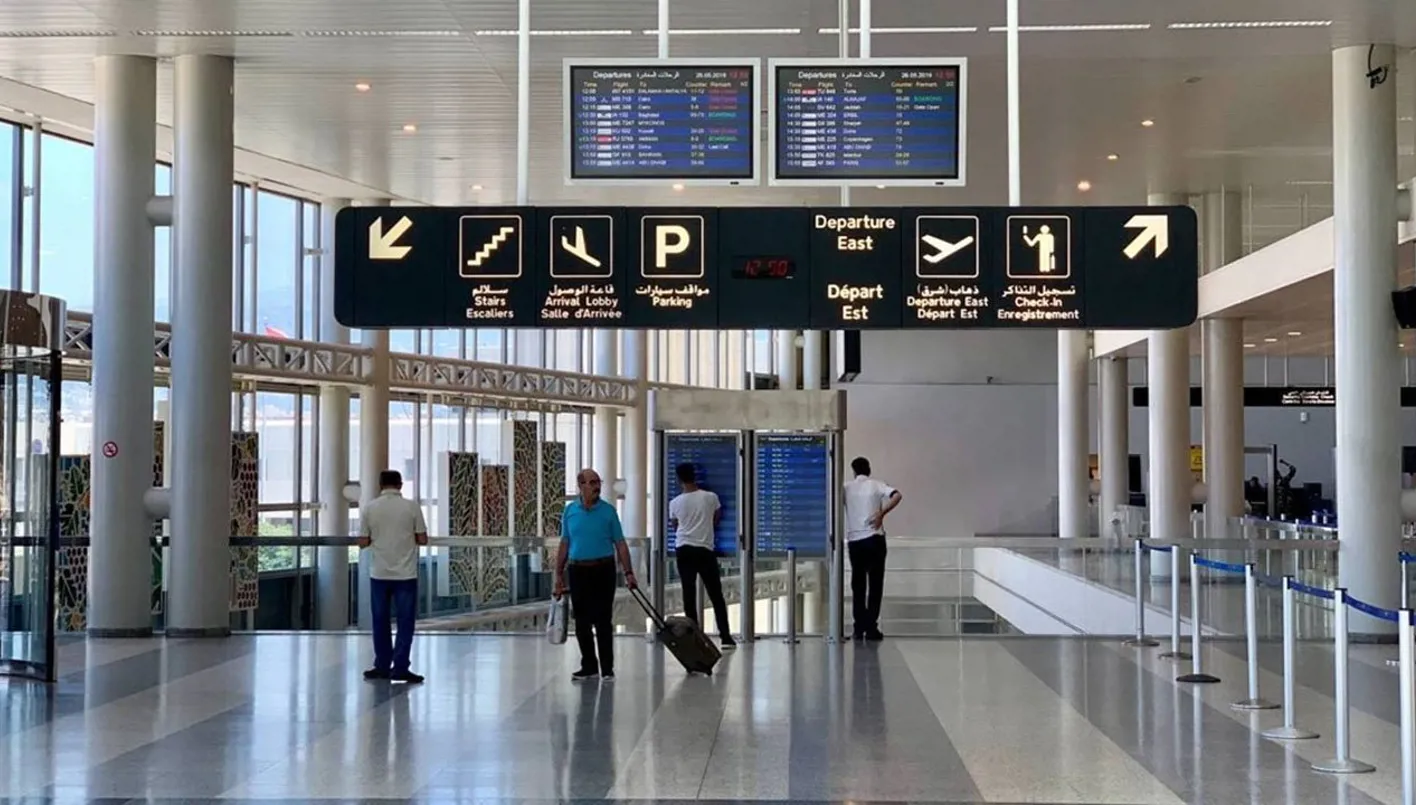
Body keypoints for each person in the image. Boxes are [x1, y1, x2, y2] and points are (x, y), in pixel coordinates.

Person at [555, 468, 637, 682]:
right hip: (577, 570)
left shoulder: (608, 512)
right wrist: (558, 574)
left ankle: (607, 668)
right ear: (580, 486)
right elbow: (564, 543)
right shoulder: (570, 511)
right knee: (581, 622)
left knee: (602, 620)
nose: (596, 486)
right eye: (591, 482)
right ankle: (589, 665)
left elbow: (620, 543)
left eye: (597, 482)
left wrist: (629, 572)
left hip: (603, 570)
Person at [358, 469, 427, 683]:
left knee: (380, 621)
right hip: (405, 574)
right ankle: (400, 667)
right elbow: (423, 539)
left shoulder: (370, 508)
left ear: (380, 485)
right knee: (405, 622)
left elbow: (363, 542)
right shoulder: (411, 507)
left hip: (379, 573)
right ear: (400, 485)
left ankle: (382, 665)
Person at [669, 462, 735, 650]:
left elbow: (675, 525)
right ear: (694, 476)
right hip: (705, 549)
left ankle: (695, 639)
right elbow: (717, 517)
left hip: (683, 549)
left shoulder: (674, 503)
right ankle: (726, 637)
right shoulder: (710, 497)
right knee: (716, 595)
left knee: (688, 595)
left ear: (679, 479)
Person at [843, 457, 901, 641]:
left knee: (858, 585)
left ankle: (858, 627)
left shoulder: (846, 488)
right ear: (868, 469)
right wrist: (881, 514)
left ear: (853, 471)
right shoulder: (876, 484)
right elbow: (897, 495)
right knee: (875, 584)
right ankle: (871, 627)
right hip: (874, 538)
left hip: (855, 540)